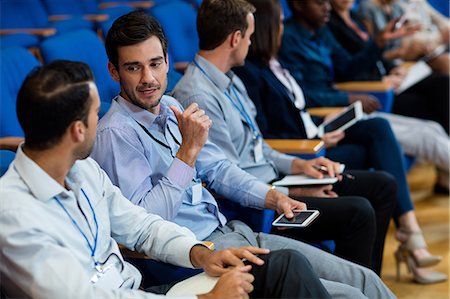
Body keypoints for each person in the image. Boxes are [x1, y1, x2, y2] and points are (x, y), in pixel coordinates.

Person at [91, 9, 396, 298]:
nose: (148, 78)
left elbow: (220, 169)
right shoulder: (116, 133)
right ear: (113, 72)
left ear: (168, 62)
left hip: (235, 232)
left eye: (155, 63)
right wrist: (186, 155)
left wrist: (273, 197)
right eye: (134, 67)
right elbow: (146, 224)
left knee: (365, 280)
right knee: (352, 295)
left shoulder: (174, 108)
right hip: (195, 258)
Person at [0, 60, 333, 299]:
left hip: (140, 291)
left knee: (284, 267)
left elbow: (142, 226)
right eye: (95, 114)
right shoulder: (13, 214)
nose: (100, 121)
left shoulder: (82, 169)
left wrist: (201, 253)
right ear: (77, 131)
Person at [173, 0, 398, 276]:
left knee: (380, 186)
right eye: (250, 36)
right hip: (258, 206)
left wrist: (299, 166)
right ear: (235, 39)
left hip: (274, 184)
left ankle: (367, 286)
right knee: (359, 212)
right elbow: (223, 178)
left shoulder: (231, 80)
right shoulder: (198, 95)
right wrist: (289, 192)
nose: (252, 42)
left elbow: (259, 147)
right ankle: (361, 285)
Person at [278, 0, 447, 284]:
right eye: (319, 2)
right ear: (297, 5)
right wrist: (346, 98)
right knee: (392, 133)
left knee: (425, 128)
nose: (327, 6)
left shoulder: (321, 31)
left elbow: (349, 66)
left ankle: (408, 240)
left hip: (338, 113)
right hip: (319, 123)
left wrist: (378, 43)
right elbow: (303, 96)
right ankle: (410, 236)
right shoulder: (289, 39)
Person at [328, 0, 450, 190]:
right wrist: (385, 68)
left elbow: (373, 58)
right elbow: (349, 69)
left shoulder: (354, 18)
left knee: (441, 94)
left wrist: (393, 68)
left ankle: (444, 173)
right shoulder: (330, 23)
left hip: (387, 81)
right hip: (375, 93)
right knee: (434, 110)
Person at [357, 0, 450, 74]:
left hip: (405, 57)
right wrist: (401, 53)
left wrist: (414, 48)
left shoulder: (397, 7)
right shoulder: (367, 7)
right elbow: (371, 49)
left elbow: (406, 38)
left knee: (444, 61)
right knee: (444, 63)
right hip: (389, 62)